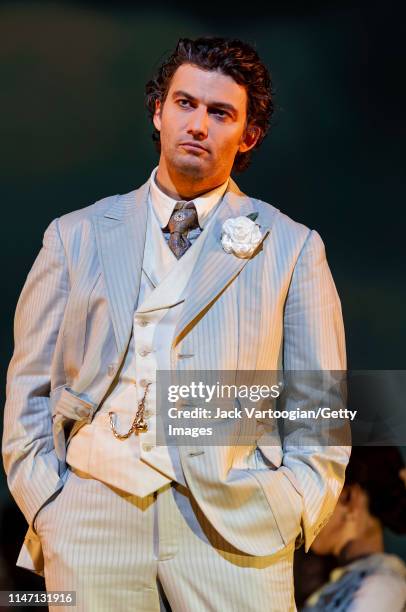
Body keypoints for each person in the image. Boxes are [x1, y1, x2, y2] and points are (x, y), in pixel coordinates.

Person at [3, 36, 350, 611]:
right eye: (185, 103)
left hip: (236, 526)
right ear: (158, 111)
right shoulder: (76, 235)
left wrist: (293, 502)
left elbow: (319, 403)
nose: (198, 124)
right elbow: (29, 385)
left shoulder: (291, 247)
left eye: (220, 113)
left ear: (249, 135)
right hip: (93, 517)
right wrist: (48, 502)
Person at [302, 446, 406, 611]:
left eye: (314, 495)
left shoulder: (381, 588)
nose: (303, 511)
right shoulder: (352, 583)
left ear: (348, 498)